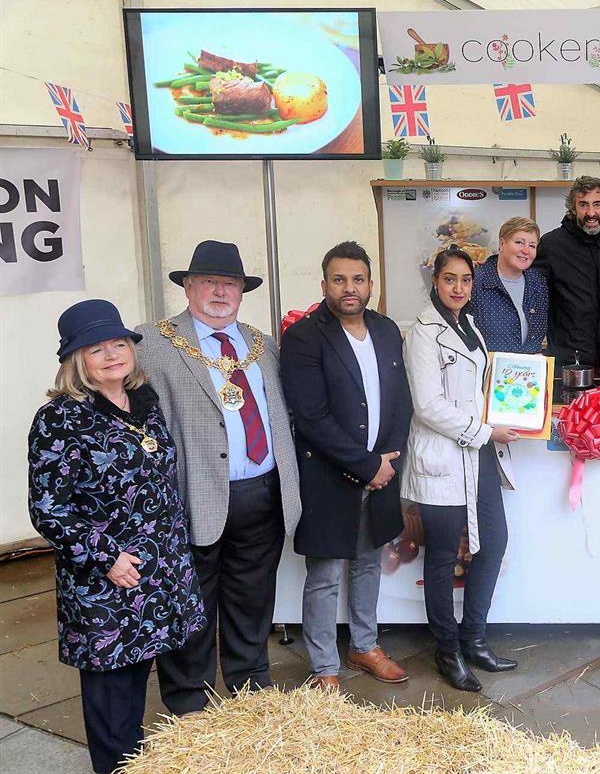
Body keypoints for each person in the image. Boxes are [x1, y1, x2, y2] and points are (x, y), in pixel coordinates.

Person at [28, 300, 205, 774]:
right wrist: (106, 557)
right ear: (76, 362)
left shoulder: (144, 403)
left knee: (153, 683)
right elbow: (49, 509)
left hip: (160, 571)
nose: (111, 355)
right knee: (114, 703)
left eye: (119, 343)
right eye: (95, 349)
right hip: (109, 581)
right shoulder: (60, 419)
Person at [136, 239, 302, 715]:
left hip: (263, 493)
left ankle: (250, 683)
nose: (219, 291)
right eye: (208, 281)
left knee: (252, 596)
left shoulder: (261, 344)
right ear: (187, 288)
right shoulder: (153, 344)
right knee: (191, 602)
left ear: (242, 291)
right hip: (195, 498)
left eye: (229, 283)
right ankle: (191, 700)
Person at [280, 241, 414, 691]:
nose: (349, 288)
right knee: (323, 575)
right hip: (328, 475)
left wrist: (387, 462)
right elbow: (311, 416)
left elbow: (400, 401)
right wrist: (365, 465)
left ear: (371, 285)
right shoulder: (303, 337)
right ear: (324, 285)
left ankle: (364, 646)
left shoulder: (386, 329)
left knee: (368, 563)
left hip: (382, 471)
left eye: (358, 279)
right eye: (339, 280)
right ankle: (324, 667)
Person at [401, 245, 521, 692]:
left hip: (479, 454)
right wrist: (486, 431)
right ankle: (447, 650)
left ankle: (474, 639)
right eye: (450, 279)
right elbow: (427, 405)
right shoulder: (422, 333)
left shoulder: (470, 325)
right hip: (444, 456)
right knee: (442, 557)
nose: (458, 288)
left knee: (494, 542)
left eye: (466, 280)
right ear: (435, 281)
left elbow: (483, 389)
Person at [534, 176, 600, 375]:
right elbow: (528, 287)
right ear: (573, 209)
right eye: (583, 205)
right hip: (568, 363)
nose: (591, 213)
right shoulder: (552, 244)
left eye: (597, 204)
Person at [467, 217, 549, 354]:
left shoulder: (538, 282)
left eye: (532, 246)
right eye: (519, 242)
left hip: (527, 371)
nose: (526, 250)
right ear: (502, 244)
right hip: (485, 372)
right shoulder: (476, 281)